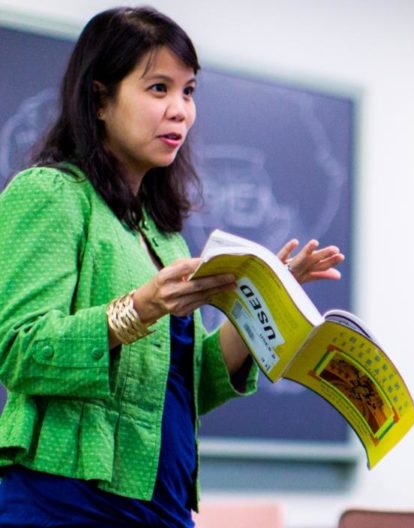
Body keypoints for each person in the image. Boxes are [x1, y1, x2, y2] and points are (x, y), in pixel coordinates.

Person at [0, 7, 343, 527]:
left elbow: (188, 389)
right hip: (67, 501)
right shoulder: (50, 194)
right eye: (159, 88)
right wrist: (139, 309)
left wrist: (266, 297)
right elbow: (20, 351)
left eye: (189, 91)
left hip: (164, 500)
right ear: (99, 99)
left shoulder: (162, 233)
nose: (181, 110)